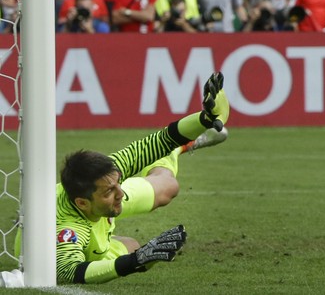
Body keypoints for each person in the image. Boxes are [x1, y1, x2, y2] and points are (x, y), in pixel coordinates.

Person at [41, 72, 230, 284]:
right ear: (82, 203)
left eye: (117, 184)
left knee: (168, 188)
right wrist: (135, 261)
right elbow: (68, 271)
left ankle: (184, 146)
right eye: (109, 191)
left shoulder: (106, 175)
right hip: (78, 243)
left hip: (96, 212)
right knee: (132, 246)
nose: (120, 193)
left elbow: (161, 140)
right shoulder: (68, 229)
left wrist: (204, 119)